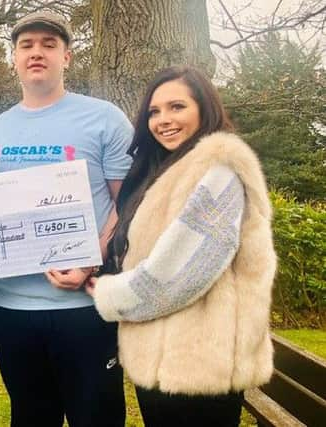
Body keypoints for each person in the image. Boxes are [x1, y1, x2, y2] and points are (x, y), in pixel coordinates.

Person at [0, 11, 133, 427]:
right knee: (32, 417)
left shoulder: (105, 118)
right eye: (27, 45)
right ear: (14, 58)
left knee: (97, 416)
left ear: (67, 57)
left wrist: (92, 261)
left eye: (49, 44)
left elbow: (129, 206)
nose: (37, 52)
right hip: (8, 307)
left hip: (85, 305)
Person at [87, 65, 276, 427]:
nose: (163, 120)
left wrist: (105, 292)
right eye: (154, 112)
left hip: (200, 368)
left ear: (204, 108)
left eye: (177, 107)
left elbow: (175, 277)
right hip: (165, 363)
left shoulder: (219, 173)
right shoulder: (169, 171)